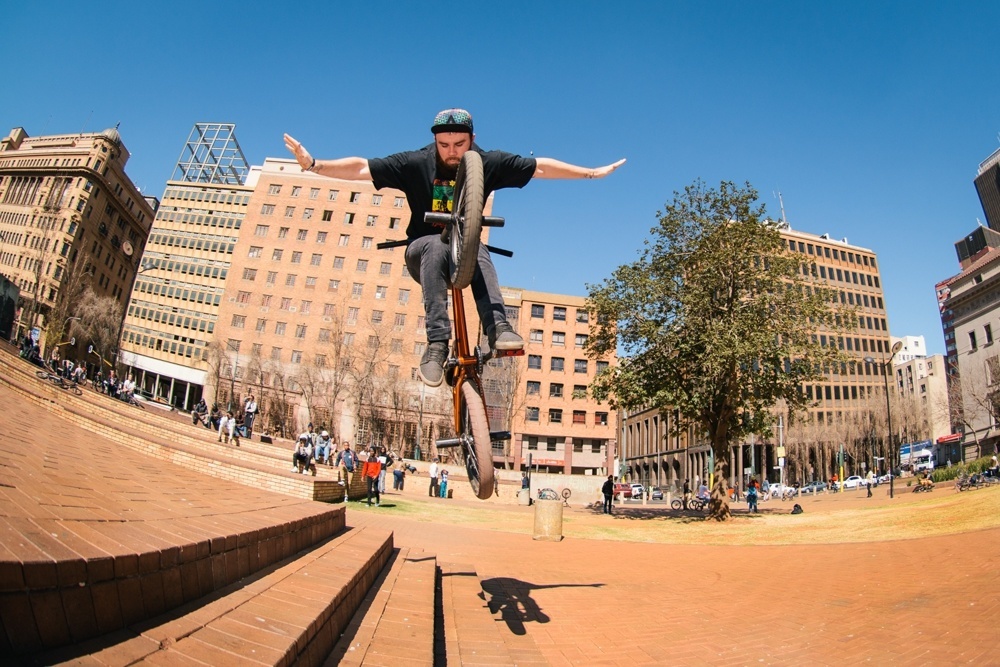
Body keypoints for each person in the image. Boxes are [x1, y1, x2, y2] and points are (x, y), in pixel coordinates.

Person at [284, 109, 625, 387]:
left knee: (476, 246)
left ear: (472, 139)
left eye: (459, 144)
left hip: (466, 253)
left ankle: (499, 328)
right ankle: (436, 344)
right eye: (444, 144)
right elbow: (361, 167)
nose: (451, 152)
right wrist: (314, 165)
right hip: (423, 253)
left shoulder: (486, 161)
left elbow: (540, 168)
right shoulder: (416, 162)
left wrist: (591, 174)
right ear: (435, 140)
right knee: (435, 242)